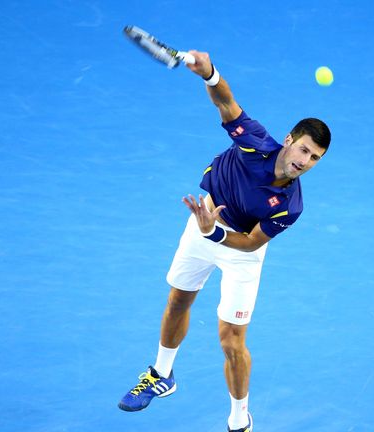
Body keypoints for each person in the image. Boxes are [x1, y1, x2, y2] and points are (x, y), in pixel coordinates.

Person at [117, 49, 331, 432]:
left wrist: (212, 232)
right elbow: (226, 103)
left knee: (231, 340)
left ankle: (239, 421)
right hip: (204, 221)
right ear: (289, 140)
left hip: (238, 251)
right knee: (179, 298)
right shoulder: (254, 143)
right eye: (303, 149)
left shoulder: (290, 206)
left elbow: (250, 243)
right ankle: (161, 374)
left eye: (315, 158)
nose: (305, 161)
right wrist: (210, 73)